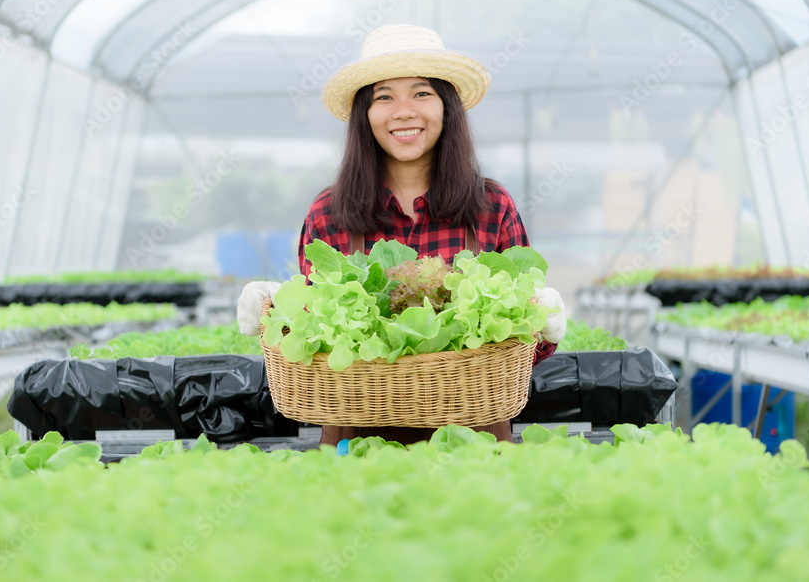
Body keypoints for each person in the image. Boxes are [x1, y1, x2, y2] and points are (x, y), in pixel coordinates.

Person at [238, 24, 566, 446]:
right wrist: (276, 314)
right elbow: (313, 346)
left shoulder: (491, 206)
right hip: (356, 442)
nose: (404, 111)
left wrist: (543, 322)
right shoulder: (330, 214)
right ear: (365, 115)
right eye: (384, 97)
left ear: (447, 106)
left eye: (422, 93)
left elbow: (520, 348)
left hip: (472, 444)